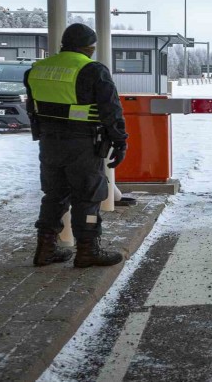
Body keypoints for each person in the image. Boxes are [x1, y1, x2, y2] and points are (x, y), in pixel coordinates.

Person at [25, 23, 128, 268]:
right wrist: (120, 141)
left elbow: (33, 108)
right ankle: (87, 250)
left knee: (54, 195)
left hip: (50, 144)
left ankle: (45, 249)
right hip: (83, 144)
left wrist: (41, 134)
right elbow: (110, 110)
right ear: (87, 47)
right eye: (91, 47)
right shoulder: (92, 70)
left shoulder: (36, 70)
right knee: (88, 196)